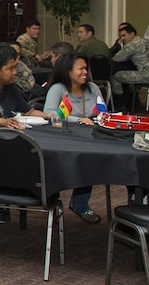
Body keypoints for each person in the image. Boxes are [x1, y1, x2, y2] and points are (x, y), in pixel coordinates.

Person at [40, 53, 104, 222]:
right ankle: (51, 201)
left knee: (92, 158)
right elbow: (50, 114)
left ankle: (80, 203)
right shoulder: (58, 89)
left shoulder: (93, 88)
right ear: (68, 71)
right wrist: (78, 120)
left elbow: (103, 112)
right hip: (63, 137)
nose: (85, 72)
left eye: (86, 69)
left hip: (91, 138)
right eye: (80, 69)